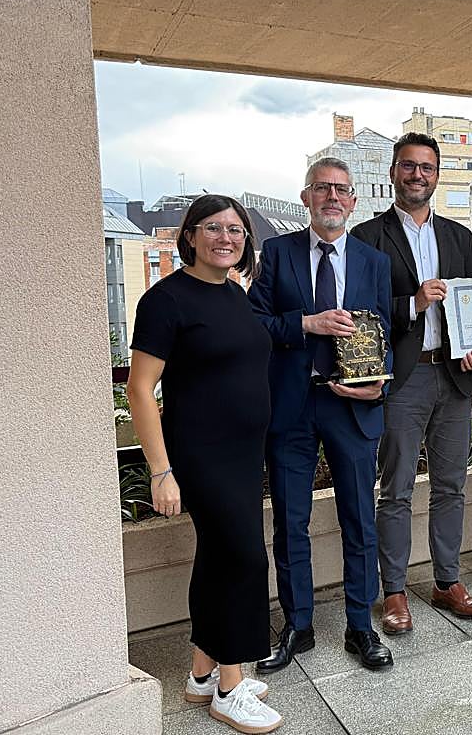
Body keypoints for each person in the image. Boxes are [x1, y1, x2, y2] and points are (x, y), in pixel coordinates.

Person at [127, 195, 281, 734]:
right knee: (242, 559)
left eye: (236, 229)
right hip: (199, 453)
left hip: (242, 454)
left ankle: (199, 674)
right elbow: (140, 389)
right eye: (212, 228)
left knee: (217, 559)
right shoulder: (165, 300)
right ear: (189, 236)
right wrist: (161, 470)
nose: (225, 237)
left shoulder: (236, 295)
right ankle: (230, 687)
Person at [249, 157, 394, 672]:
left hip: (351, 407)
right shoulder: (276, 252)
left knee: (359, 518)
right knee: (291, 521)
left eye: (342, 190)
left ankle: (361, 625)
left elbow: (385, 334)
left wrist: (378, 381)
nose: (333, 197)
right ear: (307, 197)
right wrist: (306, 323)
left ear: (354, 202)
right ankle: (299, 625)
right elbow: (254, 323)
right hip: (292, 405)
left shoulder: (373, 262)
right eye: (322, 188)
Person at [350, 132, 472, 634]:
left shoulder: (459, 237)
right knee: (397, 489)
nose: (417, 175)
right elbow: (361, 314)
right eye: (408, 166)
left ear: (437, 174)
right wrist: (413, 303)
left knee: (452, 484)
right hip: (404, 378)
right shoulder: (367, 238)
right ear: (392, 172)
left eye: (427, 167)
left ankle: (447, 580)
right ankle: (394, 591)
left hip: (453, 376)